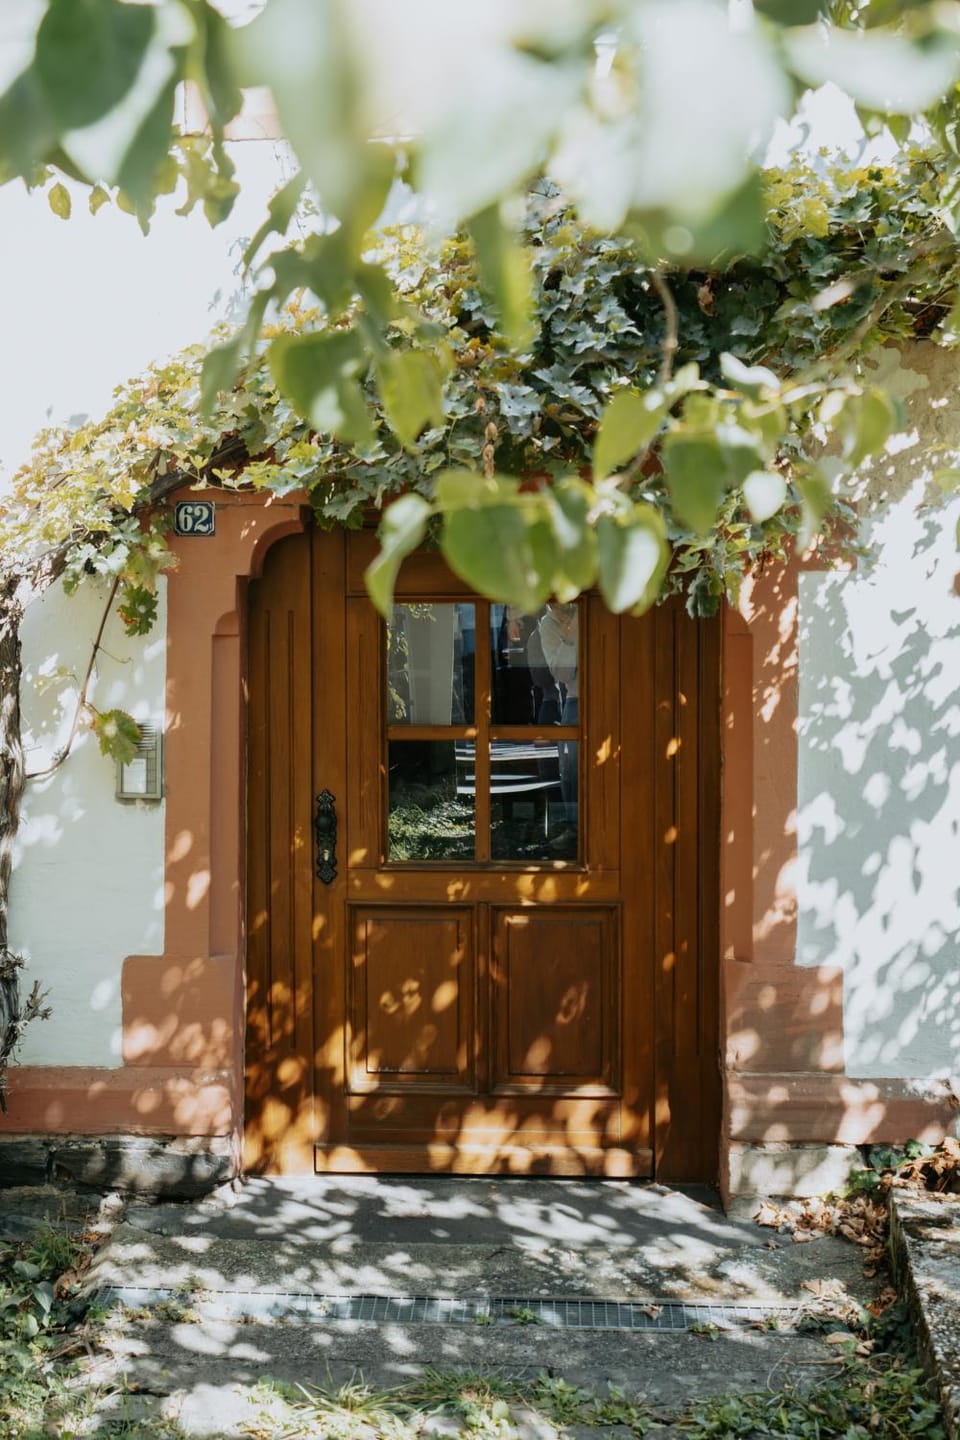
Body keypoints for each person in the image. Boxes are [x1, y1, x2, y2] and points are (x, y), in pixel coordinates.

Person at [537, 603, 578, 831]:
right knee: (570, 766)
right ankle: (575, 828)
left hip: (613, 688)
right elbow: (562, 674)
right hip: (577, 696)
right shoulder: (548, 625)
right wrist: (569, 638)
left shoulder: (586, 607)